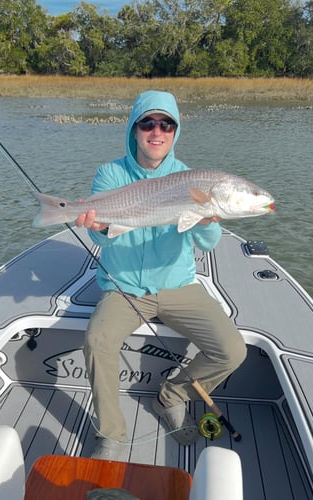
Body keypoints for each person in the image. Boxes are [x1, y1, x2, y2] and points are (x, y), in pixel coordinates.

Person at [76, 90, 247, 460]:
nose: (157, 131)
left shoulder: (191, 178)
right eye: (148, 123)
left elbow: (208, 240)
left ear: (175, 131)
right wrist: (98, 226)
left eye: (166, 124)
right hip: (124, 288)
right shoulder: (111, 173)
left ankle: (172, 395)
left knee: (233, 350)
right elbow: (99, 234)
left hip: (177, 284)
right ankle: (111, 434)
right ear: (134, 130)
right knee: (97, 340)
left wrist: (205, 218)